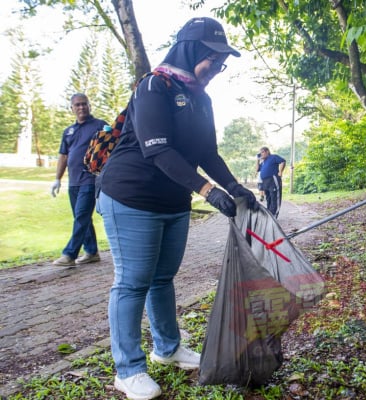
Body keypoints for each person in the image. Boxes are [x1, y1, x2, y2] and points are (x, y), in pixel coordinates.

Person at [96, 17, 258, 400]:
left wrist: (234, 187)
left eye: (222, 64)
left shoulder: (201, 97)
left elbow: (207, 153)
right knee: (133, 280)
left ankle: (167, 349)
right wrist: (207, 190)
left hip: (173, 201)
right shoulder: (154, 86)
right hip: (131, 196)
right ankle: (128, 369)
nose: (216, 70)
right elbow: (157, 149)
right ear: (192, 51)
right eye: (212, 60)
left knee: (162, 278)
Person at [50, 94, 107, 266]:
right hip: (73, 182)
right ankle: (91, 252)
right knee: (81, 217)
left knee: (81, 216)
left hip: (90, 179)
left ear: (89, 105)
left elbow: (112, 147)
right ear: (72, 108)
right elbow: (63, 156)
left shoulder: (100, 125)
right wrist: (57, 179)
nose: (81, 107)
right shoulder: (68, 131)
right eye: (77, 105)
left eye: (84, 104)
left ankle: (69, 254)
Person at [257, 146, 286, 218]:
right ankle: (269, 214)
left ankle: (274, 215)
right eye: (260, 153)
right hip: (265, 181)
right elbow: (257, 169)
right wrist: (257, 160)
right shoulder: (263, 162)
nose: (261, 154)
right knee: (268, 198)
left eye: (262, 152)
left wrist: (280, 172)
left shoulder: (273, 157)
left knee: (274, 197)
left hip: (273, 180)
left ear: (267, 152)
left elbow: (283, 161)